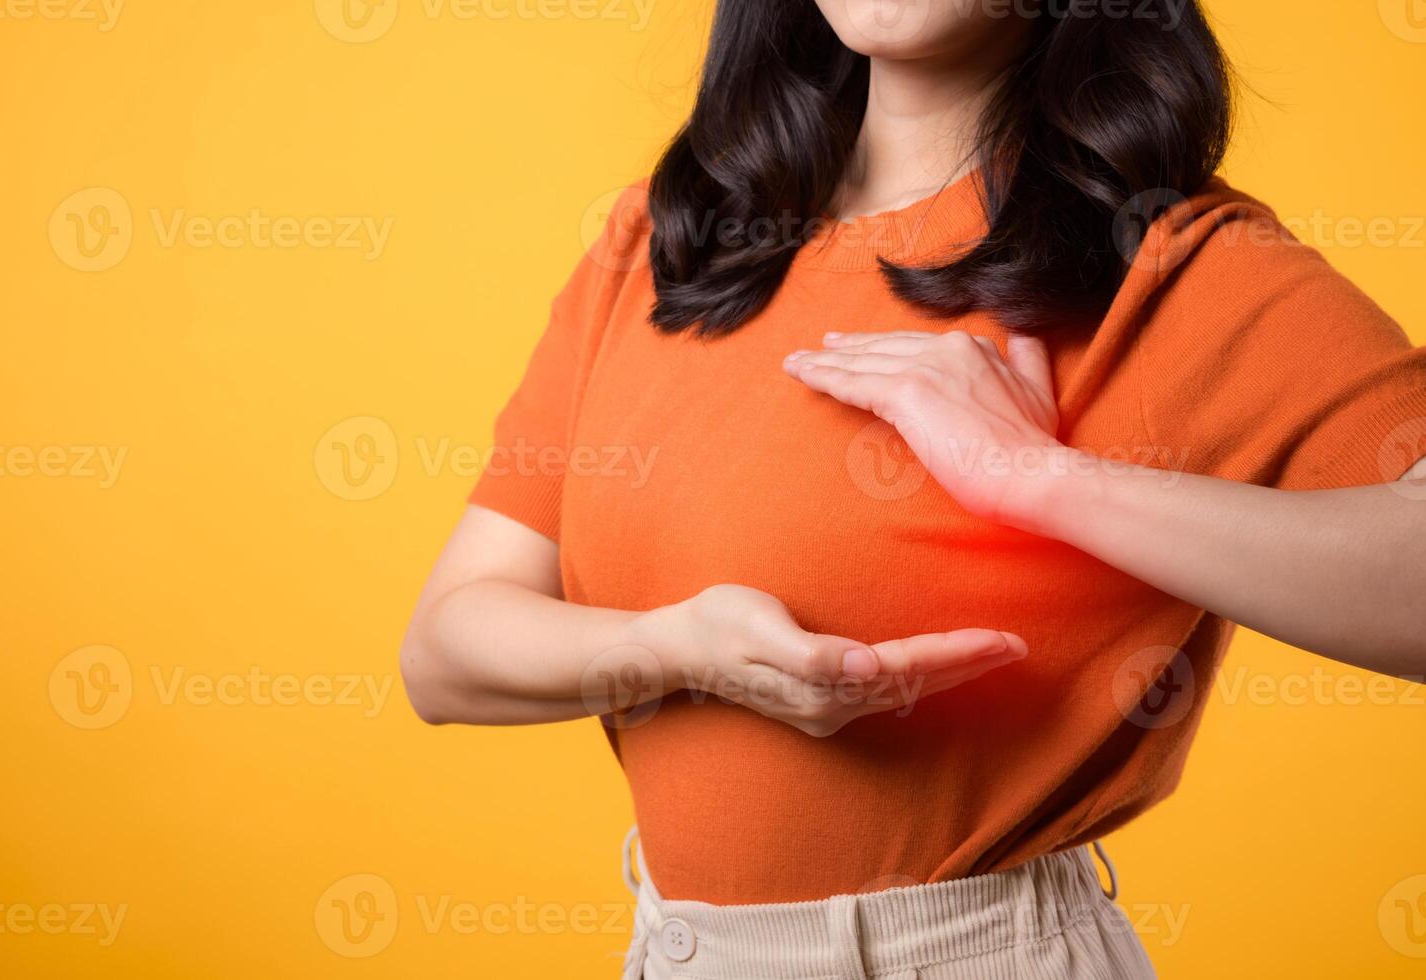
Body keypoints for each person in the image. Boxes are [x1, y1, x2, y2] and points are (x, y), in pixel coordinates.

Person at [401, 2, 1426, 976]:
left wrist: (1037, 480)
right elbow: (447, 651)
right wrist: (685, 649)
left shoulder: (1166, 258)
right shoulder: (666, 244)